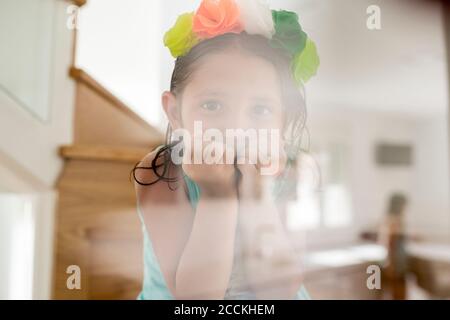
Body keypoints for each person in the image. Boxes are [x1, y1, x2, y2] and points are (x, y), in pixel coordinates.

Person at [131, 0, 319, 300]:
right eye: (213, 105)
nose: (238, 126)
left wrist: (256, 192)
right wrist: (217, 195)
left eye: (260, 109)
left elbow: (280, 290)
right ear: (176, 113)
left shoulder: (290, 170)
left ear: (282, 117)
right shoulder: (160, 171)